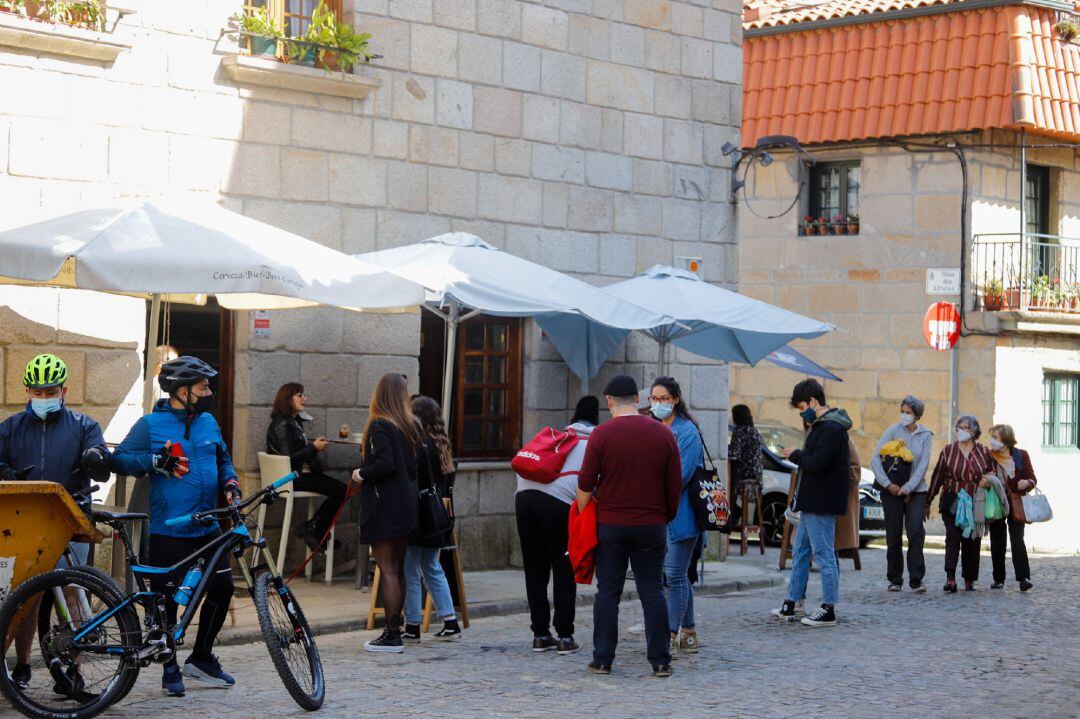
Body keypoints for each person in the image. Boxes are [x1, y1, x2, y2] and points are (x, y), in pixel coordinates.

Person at [110, 356, 241, 697]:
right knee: (166, 601)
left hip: (208, 524)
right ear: (183, 391)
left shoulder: (209, 421)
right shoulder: (150, 425)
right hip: (169, 528)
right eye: (203, 386)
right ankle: (170, 667)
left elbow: (222, 459)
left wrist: (231, 483)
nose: (209, 392)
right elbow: (119, 459)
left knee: (223, 588)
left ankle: (201, 657)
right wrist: (152, 461)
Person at [0, 353, 110, 695]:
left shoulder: (83, 425)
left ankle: (73, 672)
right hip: (24, 524)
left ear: (64, 390)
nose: (44, 398)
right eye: (37, 391)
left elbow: (100, 461)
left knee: (73, 597)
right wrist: (9, 474)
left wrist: (96, 459)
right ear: (27, 391)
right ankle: (20, 666)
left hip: (69, 521)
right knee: (24, 599)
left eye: (50, 391)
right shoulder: (10, 428)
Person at [576, 375, 682, 678]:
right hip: (651, 524)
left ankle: (602, 658)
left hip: (611, 523)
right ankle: (661, 660)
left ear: (609, 401)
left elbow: (585, 482)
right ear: (639, 398)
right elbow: (673, 483)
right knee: (652, 591)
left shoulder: (601, 434)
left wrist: (585, 513)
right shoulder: (663, 434)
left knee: (608, 592)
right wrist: (666, 515)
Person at [515, 395, 598, 656]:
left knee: (535, 569)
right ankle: (565, 635)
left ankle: (540, 634)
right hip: (558, 503)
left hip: (524, 497)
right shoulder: (594, 440)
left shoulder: (561, 436)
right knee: (564, 568)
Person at [352, 373, 420, 653]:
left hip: (385, 505)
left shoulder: (380, 425)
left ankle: (392, 634)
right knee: (398, 568)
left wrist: (359, 474)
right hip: (405, 503)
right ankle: (396, 629)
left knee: (387, 568)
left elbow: (384, 465)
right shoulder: (410, 425)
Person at [774, 379, 852, 628]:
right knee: (800, 552)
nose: (801, 412)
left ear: (813, 402)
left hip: (822, 501)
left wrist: (796, 454)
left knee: (823, 554)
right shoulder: (821, 426)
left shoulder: (831, 427)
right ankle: (791, 602)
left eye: (801, 406)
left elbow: (818, 463)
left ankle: (829, 608)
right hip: (811, 500)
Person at [649, 377, 704, 659]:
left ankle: (669, 635)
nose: (658, 404)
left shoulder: (687, 432)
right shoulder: (654, 428)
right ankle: (690, 634)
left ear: (675, 400)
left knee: (674, 576)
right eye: (653, 399)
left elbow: (679, 476)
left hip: (683, 514)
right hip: (662, 513)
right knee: (678, 575)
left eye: (663, 399)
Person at [403, 395, 462, 643]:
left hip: (420, 515)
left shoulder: (419, 444)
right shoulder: (442, 444)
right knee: (432, 568)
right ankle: (450, 621)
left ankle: (413, 625)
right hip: (437, 514)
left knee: (410, 570)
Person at [266, 382, 346, 552]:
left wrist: (313, 449)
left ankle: (315, 531)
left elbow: (297, 453)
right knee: (343, 491)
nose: (305, 398)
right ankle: (315, 529)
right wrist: (313, 448)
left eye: (304, 395)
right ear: (288, 399)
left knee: (342, 491)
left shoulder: (292, 422)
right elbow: (288, 459)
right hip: (292, 478)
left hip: (298, 475)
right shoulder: (282, 425)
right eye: (300, 395)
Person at [869, 395, 933, 592]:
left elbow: (923, 465)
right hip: (891, 490)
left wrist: (908, 487)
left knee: (915, 531)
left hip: (916, 490)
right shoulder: (893, 430)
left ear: (917, 415)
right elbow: (874, 459)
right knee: (893, 533)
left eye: (909, 412)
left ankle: (916, 579)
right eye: (903, 411)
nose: (904, 415)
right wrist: (887, 484)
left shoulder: (926, 436)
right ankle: (895, 579)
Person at [926, 414, 996, 592]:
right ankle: (950, 578)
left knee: (972, 539)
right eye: (959, 427)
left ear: (974, 432)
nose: (961, 431)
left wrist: (987, 480)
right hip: (952, 499)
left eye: (966, 428)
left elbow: (992, 473)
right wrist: (928, 500)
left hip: (975, 499)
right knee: (953, 538)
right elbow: (938, 476)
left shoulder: (983, 451)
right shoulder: (948, 451)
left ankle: (969, 579)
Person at [987, 424, 1035, 592]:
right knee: (997, 540)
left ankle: (1023, 578)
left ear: (1006, 440)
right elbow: (983, 476)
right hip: (997, 502)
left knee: (1017, 539)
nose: (992, 441)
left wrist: (1027, 483)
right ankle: (998, 579)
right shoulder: (989, 456)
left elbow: (1032, 478)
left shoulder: (1021, 455)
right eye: (992, 437)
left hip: (1016, 502)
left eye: (996, 437)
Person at [728, 403, 764, 530]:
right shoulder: (754, 430)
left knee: (725, 484)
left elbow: (734, 454)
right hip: (756, 476)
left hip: (744, 474)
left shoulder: (739, 431)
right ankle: (735, 512)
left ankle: (732, 513)